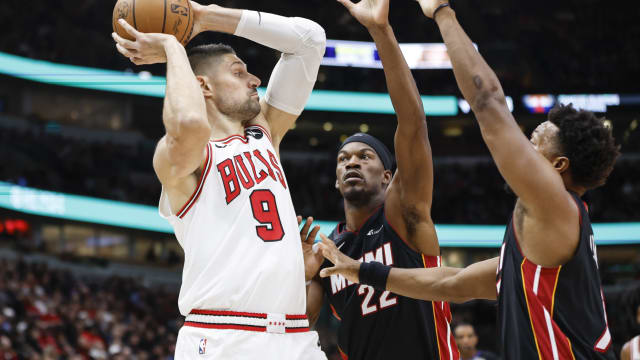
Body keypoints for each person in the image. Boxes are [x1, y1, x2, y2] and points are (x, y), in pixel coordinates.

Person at [316, 1, 620, 359]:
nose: (522, 144)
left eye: (535, 139)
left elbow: (488, 101)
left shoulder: (557, 206)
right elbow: (452, 283)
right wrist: (363, 271)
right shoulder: (532, 252)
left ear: (558, 165)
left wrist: (442, 11)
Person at [111, 2, 327, 359]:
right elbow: (191, 125)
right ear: (203, 87)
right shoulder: (181, 158)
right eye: (239, 72)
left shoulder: (265, 133)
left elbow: (309, 40)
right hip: (223, 338)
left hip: (296, 335)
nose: (255, 79)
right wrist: (172, 47)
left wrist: (204, 17)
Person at [301, 0, 459, 358]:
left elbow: (414, 124)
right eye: (343, 159)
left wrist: (380, 31)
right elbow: (302, 322)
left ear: (389, 177)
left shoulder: (404, 213)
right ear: (336, 180)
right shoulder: (330, 248)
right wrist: (302, 275)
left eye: (364, 156)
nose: (351, 163)